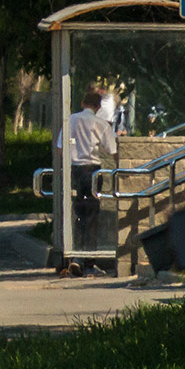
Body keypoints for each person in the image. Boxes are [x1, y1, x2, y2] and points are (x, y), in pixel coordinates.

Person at [60, 89, 117, 273]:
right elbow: (112, 150)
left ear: (83, 103)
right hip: (92, 170)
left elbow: (61, 148)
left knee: (76, 212)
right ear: (99, 107)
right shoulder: (101, 123)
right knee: (91, 213)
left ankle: (73, 253)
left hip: (74, 169)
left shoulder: (71, 120)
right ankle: (88, 259)